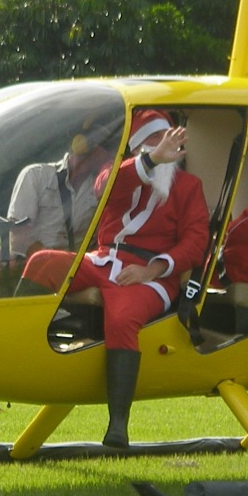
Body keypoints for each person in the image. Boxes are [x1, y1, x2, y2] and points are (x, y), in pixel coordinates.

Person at [23, 109, 208, 447]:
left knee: (122, 318)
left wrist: (153, 269)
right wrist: (152, 160)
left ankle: (118, 426)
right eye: (155, 141)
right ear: (139, 147)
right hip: (103, 261)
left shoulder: (190, 186)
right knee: (40, 263)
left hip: (151, 276)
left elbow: (196, 243)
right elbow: (106, 187)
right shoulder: (116, 172)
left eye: (170, 140)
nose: (166, 147)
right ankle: (21, 350)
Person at [0, 132, 114, 297]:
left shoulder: (103, 189)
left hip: (73, 266)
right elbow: (18, 238)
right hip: (32, 259)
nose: (111, 156)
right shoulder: (36, 175)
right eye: (108, 148)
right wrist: (46, 260)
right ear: (82, 144)